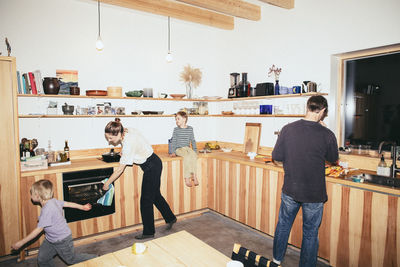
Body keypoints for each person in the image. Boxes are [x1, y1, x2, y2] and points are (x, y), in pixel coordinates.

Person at [271, 95, 338, 267]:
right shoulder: (327, 134)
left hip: (290, 189)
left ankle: (276, 259)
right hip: (314, 193)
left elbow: (277, 157)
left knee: (283, 225)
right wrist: (325, 130)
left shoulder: (287, 129)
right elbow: (333, 159)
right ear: (322, 111)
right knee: (310, 232)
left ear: (307, 107)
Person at [102, 118, 177, 240]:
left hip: (151, 167)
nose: (109, 141)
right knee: (155, 195)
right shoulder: (127, 131)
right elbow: (135, 144)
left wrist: (108, 183)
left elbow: (120, 169)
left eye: (110, 138)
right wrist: (125, 152)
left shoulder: (127, 144)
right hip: (154, 162)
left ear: (118, 133)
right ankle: (171, 218)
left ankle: (148, 232)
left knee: (145, 201)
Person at [11, 179, 96, 266]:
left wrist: (21, 242)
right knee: (43, 259)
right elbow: (67, 203)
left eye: (31, 193)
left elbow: (38, 229)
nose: (30, 196)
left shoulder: (47, 210)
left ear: (37, 196)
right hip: (50, 239)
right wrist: (82, 207)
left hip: (62, 240)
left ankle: (96, 259)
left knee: (71, 259)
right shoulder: (53, 201)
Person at [169, 111, 199, 187]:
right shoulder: (176, 129)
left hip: (187, 148)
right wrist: (172, 152)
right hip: (179, 149)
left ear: (184, 119)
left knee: (193, 155)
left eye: (178, 119)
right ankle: (187, 177)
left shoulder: (190, 129)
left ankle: (194, 175)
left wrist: (195, 150)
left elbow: (193, 140)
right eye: (176, 119)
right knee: (187, 156)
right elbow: (174, 141)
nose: (176, 121)